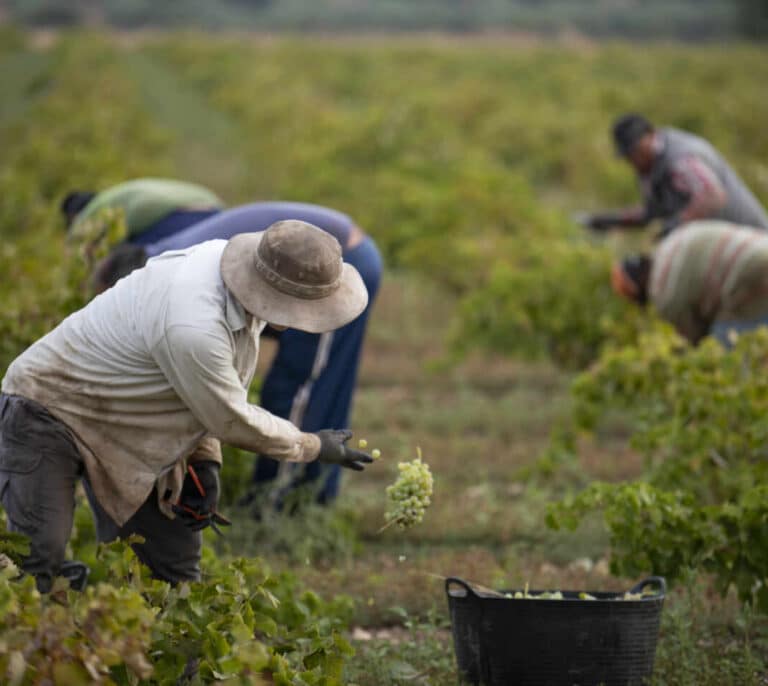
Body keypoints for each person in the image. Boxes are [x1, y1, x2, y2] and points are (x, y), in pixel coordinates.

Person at [0, 220, 374, 592]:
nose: (297, 325)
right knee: (38, 560)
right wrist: (311, 445)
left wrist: (204, 461)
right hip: (47, 406)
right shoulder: (194, 324)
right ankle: (45, 641)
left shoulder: (239, 284)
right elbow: (231, 417)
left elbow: (214, 391)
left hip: (137, 420)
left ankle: (151, 648)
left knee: (172, 570)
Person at [94, 201, 383, 509]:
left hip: (328, 267)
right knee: (320, 383)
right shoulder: (164, 261)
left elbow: (222, 407)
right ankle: (312, 493)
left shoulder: (176, 287)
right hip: (329, 254)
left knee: (299, 387)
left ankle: (274, 505)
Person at [584, 114, 768, 239]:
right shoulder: (650, 166)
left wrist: (677, 223)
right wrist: (612, 221)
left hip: (752, 243)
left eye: (636, 151)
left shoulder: (681, 159)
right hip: (724, 247)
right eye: (628, 156)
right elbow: (654, 212)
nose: (633, 160)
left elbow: (713, 197)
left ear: (651, 135)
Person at [611, 220, 768, 346]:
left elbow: (695, 338)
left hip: (750, 278)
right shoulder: (671, 242)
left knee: (721, 345)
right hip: (762, 245)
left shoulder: (663, 294)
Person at [61, 177, 224, 245]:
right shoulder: (118, 194)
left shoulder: (88, 213)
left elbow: (75, 243)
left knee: (134, 260)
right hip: (214, 209)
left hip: (178, 217)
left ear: (74, 216)